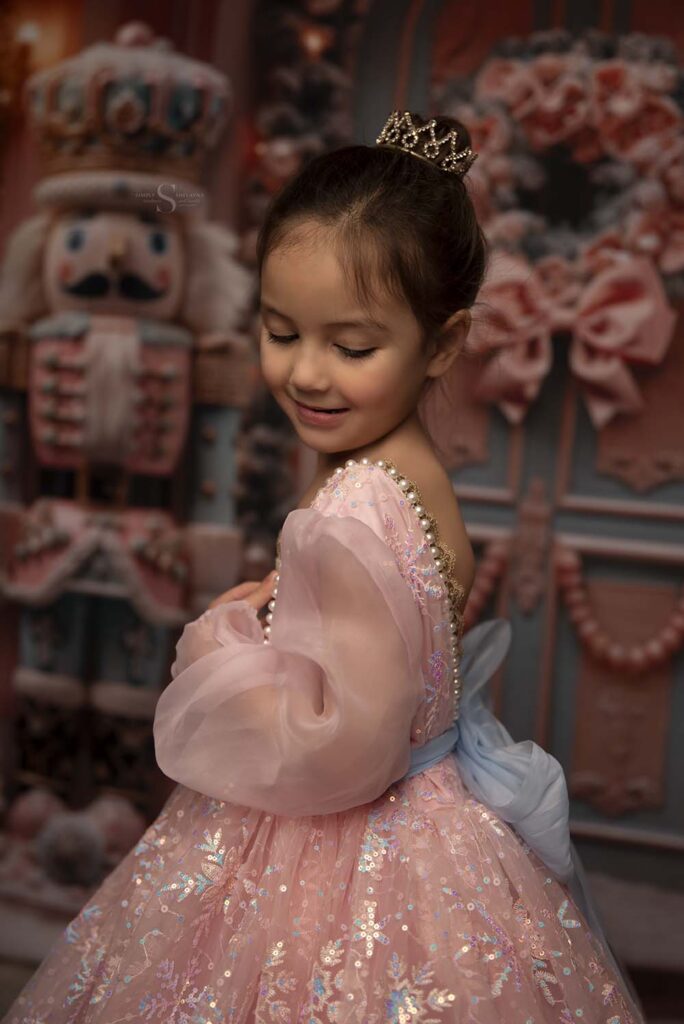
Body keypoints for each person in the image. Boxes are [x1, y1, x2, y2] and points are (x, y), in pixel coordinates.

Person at [4, 111, 643, 1023]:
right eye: (279, 331)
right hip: (431, 809)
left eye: (351, 348)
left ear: (446, 343)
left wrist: (226, 640)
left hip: (351, 841)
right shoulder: (407, 469)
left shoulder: (353, 508)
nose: (307, 374)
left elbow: (340, 754)